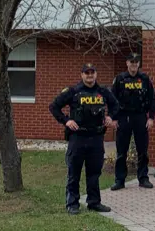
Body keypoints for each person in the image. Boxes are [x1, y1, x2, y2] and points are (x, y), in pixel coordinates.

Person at [48, 63, 119, 215]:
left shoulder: (103, 92)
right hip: (78, 138)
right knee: (74, 172)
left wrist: (110, 117)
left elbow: (116, 106)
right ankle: (72, 204)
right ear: (82, 75)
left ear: (96, 74)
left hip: (96, 138)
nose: (89, 75)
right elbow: (54, 106)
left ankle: (94, 202)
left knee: (94, 173)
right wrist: (66, 120)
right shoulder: (73, 92)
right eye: (86, 73)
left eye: (92, 72)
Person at [110, 53, 155, 191]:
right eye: (131, 62)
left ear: (139, 64)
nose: (134, 64)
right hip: (124, 117)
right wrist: (113, 118)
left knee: (143, 150)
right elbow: (112, 100)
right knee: (121, 151)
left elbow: (152, 99)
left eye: (136, 62)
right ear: (127, 63)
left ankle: (143, 178)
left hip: (140, 117)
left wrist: (151, 118)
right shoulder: (120, 79)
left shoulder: (145, 79)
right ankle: (120, 180)